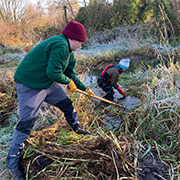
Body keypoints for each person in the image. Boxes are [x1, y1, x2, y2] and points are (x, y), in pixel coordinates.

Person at [6, 21, 95, 180]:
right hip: (30, 84)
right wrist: (68, 83)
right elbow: (54, 72)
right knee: (26, 123)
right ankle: (12, 162)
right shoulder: (60, 45)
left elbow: (70, 74)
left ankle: (76, 128)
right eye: (80, 41)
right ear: (73, 38)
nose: (81, 45)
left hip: (46, 82)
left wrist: (85, 88)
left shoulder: (69, 53)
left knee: (67, 104)